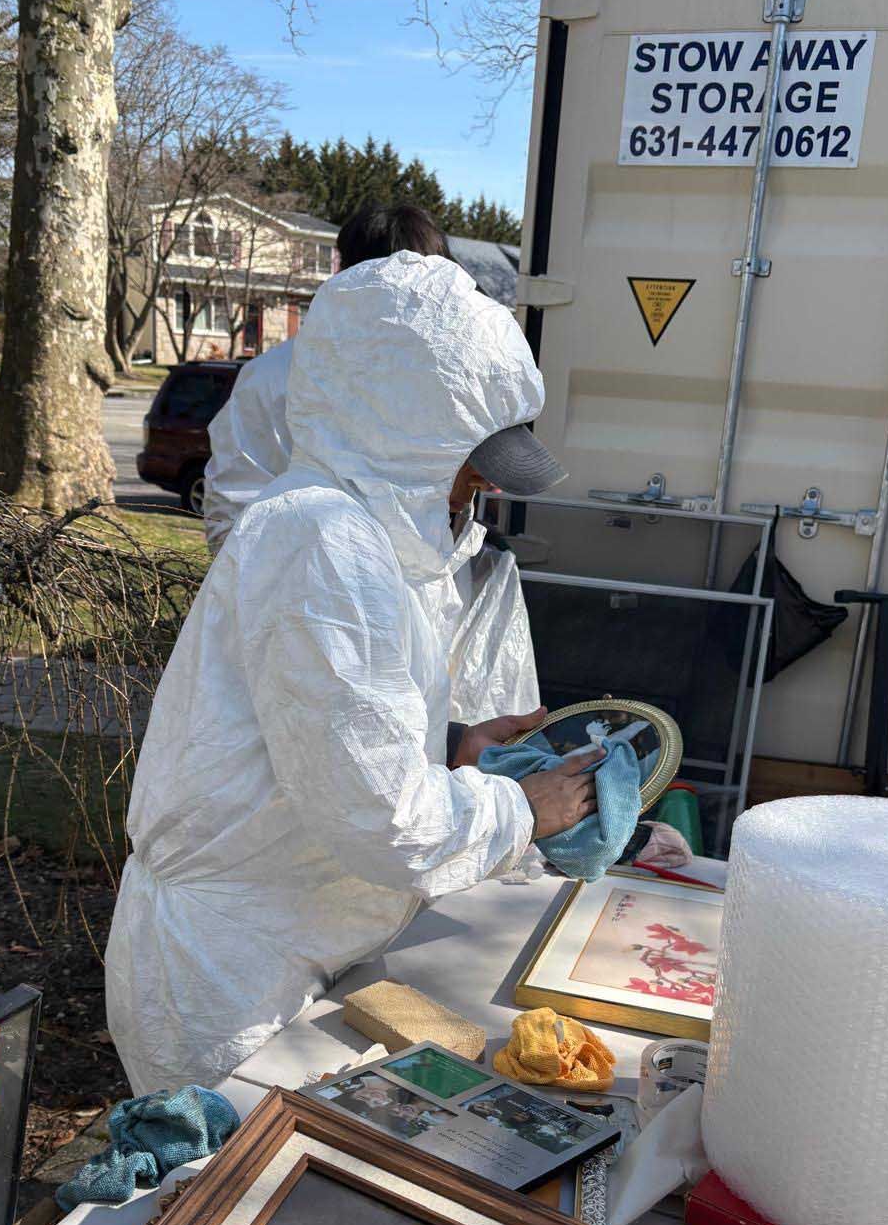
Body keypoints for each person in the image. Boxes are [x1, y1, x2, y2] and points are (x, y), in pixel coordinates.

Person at [106, 251, 601, 1095]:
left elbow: (316, 738)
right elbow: (379, 814)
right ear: (402, 436)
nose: (481, 482)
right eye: (472, 455)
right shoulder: (321, 543)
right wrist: (521, 807)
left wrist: (454, 745)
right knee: (225, 1206)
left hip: (297, 942)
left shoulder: (360, 545)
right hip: (233, 979)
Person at [204, 203, 541, 721]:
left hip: (409, 620)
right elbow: (236, 513)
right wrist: (296, 587)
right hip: (313, 616)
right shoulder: (278, 381)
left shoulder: (432, 380)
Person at [202, 205, 452, 558]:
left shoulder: (443, 379)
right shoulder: (277, 375)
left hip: (379, 592)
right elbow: (234, 508)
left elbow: (229, 503)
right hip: (296, 589)